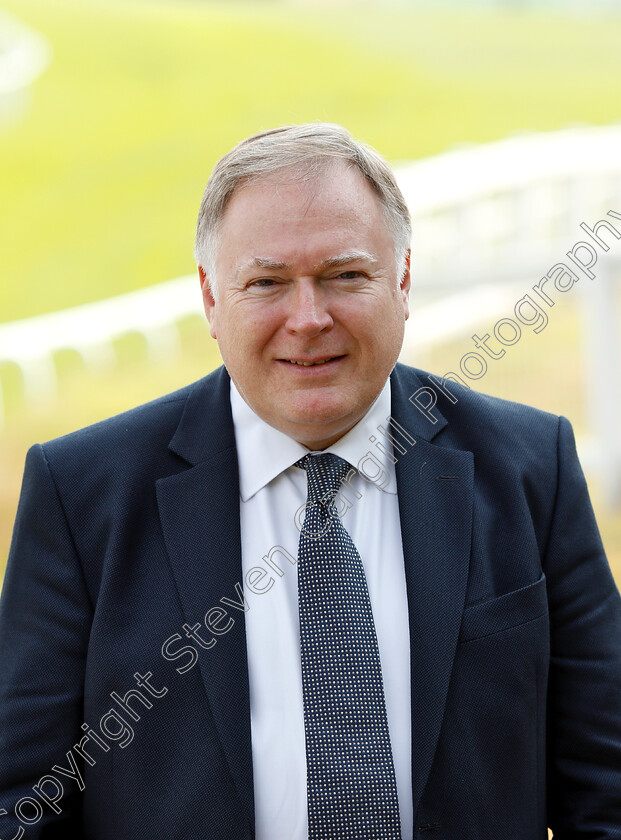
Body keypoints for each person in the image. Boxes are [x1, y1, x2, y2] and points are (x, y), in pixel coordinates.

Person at [1, 123, 620, 840]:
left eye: (343, 276)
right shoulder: (82, 494)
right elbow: (24, 799)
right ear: (209, 297)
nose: (308, 318)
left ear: (403, 280)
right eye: (266, 283)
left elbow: (604, 782)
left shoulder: (529, 467)